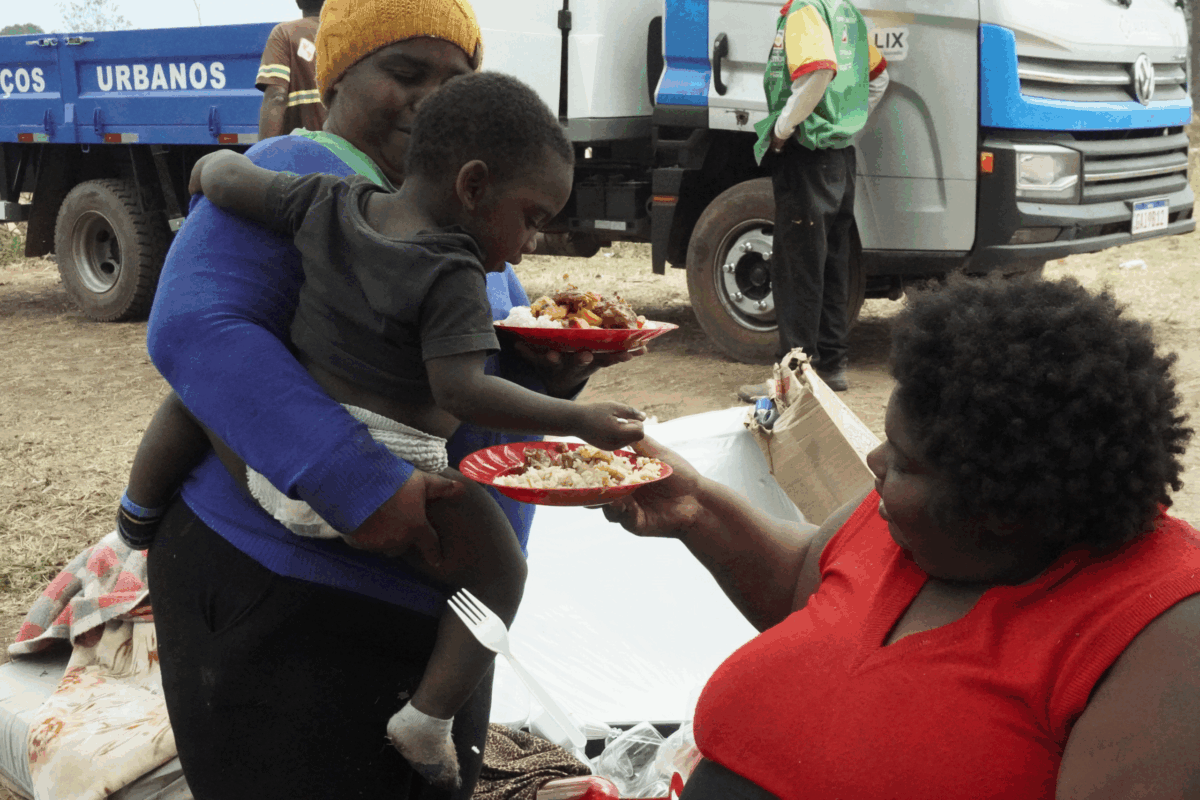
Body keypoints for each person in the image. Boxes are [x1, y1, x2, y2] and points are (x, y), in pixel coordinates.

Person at [140, 1, 636, 797]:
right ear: (337, 75)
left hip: (437, 610)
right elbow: (197, 331)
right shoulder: (298, 171)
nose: (431, 101)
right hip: (288, 598)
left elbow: (466, 367)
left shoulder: (459, 216)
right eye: (405, 74)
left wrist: (556, 369)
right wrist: (364, 486)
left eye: (456, 81)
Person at [608, 274, 1200, 798]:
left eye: (907, 462)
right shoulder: (921, 527)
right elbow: (809, 591)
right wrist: (696, 508)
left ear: (1003, 507)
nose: (874, 458)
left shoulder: (1160, 628)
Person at [738, 0, 888, 399]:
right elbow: (877, 78)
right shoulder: (845, 12)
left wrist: (785, 128)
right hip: (839, 157)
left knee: (797, 269)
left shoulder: (805, 11)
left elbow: (818, 70)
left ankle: (795, 378)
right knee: (832, 264)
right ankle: (832, 366)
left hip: (806, 156)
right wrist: (845, 121)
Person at [255, 0, 327, 139]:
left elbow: (276, 97)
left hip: (303, 149)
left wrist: (263, 154)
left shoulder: (285, 33)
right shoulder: (348, 35)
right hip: (347, 152)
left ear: (299, 2)